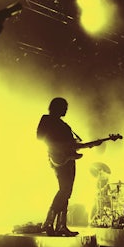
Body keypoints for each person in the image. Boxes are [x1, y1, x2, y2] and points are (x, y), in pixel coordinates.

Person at [37, 97, 83, 237]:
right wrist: (60, 148)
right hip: (59, 159)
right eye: (64, 107)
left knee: (67, 192)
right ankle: (49, 222)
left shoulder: (65, 125)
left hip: (69, 159)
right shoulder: (47, 120)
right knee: (64, 190)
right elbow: (40, 137)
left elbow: (71, 144)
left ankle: (61, 226)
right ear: (57, 107)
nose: (66, 110)